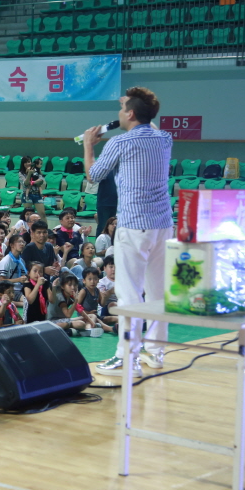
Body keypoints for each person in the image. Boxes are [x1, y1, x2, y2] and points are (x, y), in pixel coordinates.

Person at [83, 86, 171, 376]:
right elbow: (150, 124)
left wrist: (88, 145)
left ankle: (126, 357)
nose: (119, 114)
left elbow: (94, 175)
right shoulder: (164, 138)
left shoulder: (120, 143)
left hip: (134, 225)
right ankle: (156, 352)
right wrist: (140, 106)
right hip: (163, 225)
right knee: (157, 292)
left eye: (122, 109)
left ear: (130, 114)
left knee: (129, 292)